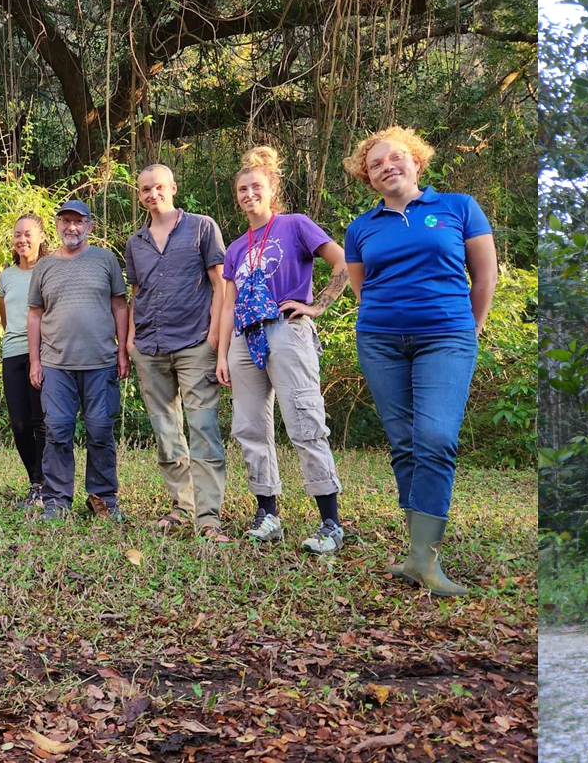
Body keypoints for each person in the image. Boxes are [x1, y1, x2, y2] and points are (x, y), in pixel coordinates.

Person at [343, 126, 498, 596]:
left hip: (447, 336)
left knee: (435, 436)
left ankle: (425, 559)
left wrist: (470, 324)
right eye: (376, 164)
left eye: (396, 158)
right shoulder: (360, 228)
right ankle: (418, 558)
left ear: (416, 161)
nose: (387, 166)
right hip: (381, 340)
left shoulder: (458, 207)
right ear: (368, 178)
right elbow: (361, 286)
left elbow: (485, 271)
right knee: (405, 442)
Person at [217, 146, 349, 554]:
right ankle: (267, 513)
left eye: (256, 186)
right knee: (250, 427)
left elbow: (342, 262)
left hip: (286, 331)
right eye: (242, 189)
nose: (248, 193)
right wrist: (222, 353)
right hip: (245, 336)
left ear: (272, 188)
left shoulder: (295, 225)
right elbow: (226, 304)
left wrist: (316, 306)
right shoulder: (237, 247)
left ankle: (330, 522)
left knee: (304, 421)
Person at [124, 163, 233, 540]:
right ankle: (181, 506)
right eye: (144, 190)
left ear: (172, 186)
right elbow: (137, 295)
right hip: (150, 347)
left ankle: (208, 515)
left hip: (194, 343)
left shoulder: (201, 226)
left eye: (157, 187)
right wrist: (131, 340)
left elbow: (220, 284)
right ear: (139, 196)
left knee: (202, 427)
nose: (152, 195)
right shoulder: (135, 242)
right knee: (166, 431)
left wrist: (215, 336)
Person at [29, 199, 130, 520]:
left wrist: (123, 349)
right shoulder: (44, 266)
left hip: (101, 362)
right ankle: (57, 501)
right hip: (56, 365)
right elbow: (34, 314)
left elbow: (120, 306)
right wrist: (34, 360)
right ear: (57, 225)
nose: (71, 227)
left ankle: (103, 500)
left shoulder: (105, 259)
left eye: (78, 221)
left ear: (89, 226)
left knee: (100, 431)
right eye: (65, 221)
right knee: (57, 431)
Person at [0, 215, 49, 506]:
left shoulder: (52, 268)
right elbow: (6, 319)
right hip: (13, 351)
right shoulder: (6, 276)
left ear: (41, 237)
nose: (22, 240)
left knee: (40, 420)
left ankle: (43, 484)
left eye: (28, 234)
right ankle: (34, 481)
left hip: (45, 353)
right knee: (19, 423)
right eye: (17, 235)